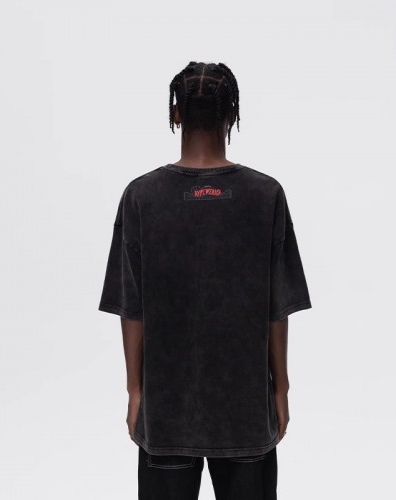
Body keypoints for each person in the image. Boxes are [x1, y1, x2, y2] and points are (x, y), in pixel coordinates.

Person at [98, 61, 312, 500]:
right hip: (245, 411)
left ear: (175, 113)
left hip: (167, 410)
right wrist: (281, 388)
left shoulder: (141, 196)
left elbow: (131, 308)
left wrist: (135, 390)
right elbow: (277, 308)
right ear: (231, 114)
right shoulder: (265, 195)